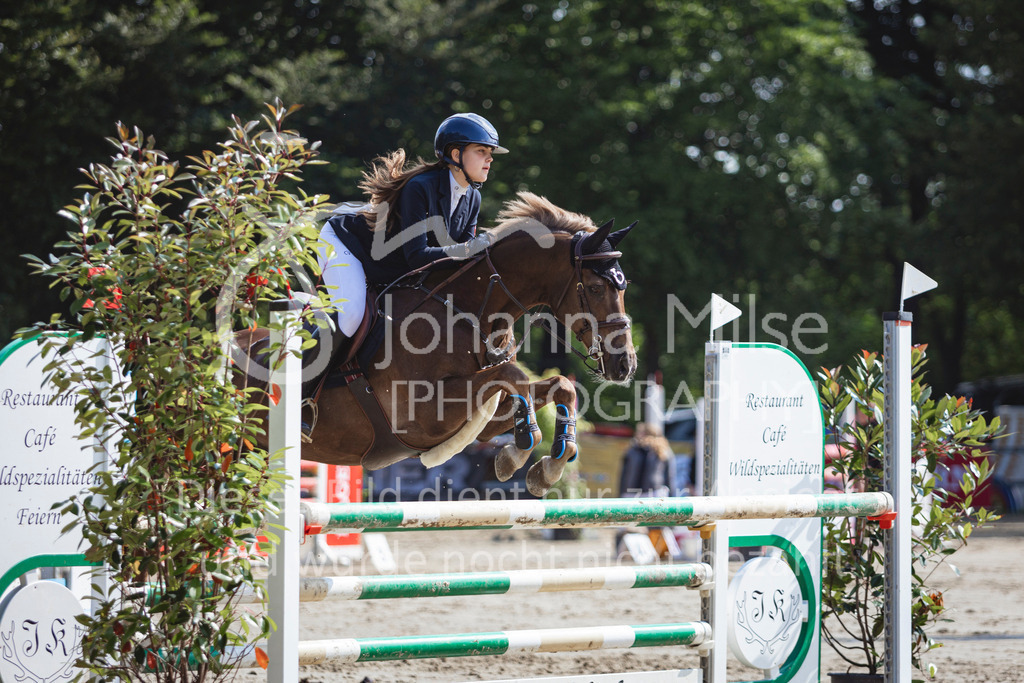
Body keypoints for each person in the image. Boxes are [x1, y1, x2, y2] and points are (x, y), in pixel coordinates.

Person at [317, 112, 508, 337]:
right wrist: (471, 249)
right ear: (456, 155)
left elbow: (462, 260)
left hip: (390, 265)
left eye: (490, 153)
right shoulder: (420, 188)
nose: (490, 159)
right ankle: (309, 370)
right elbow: (417, 256)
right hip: (346, 244)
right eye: (481, 151)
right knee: (351, 315)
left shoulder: (473, 197)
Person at [618, 423, 677, 498]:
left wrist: (621, 493)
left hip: (631, 491)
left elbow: (624, 474)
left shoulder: (632, 450)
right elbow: (670, 476)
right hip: (655, 491)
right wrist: (671, 496)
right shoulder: (663, 450)